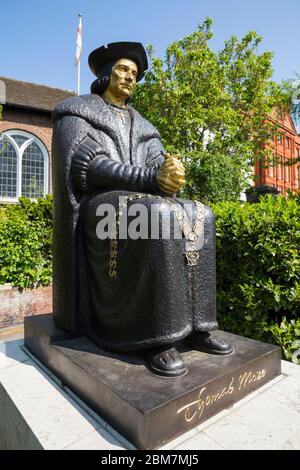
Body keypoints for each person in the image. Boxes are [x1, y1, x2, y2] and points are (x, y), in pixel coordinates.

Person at [52, 42, 232, 378]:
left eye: (134, 74)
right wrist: (150, 178)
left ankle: (198, 325)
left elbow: (157, 162)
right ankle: (156, 335)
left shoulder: (144, 125)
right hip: (98, 203)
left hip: (141, 198)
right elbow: (87, 166)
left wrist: (171, 174)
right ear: (106, 74)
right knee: (156, 217)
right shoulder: (76, 112)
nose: (129, 77)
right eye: (123, 69)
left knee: (200, 214)